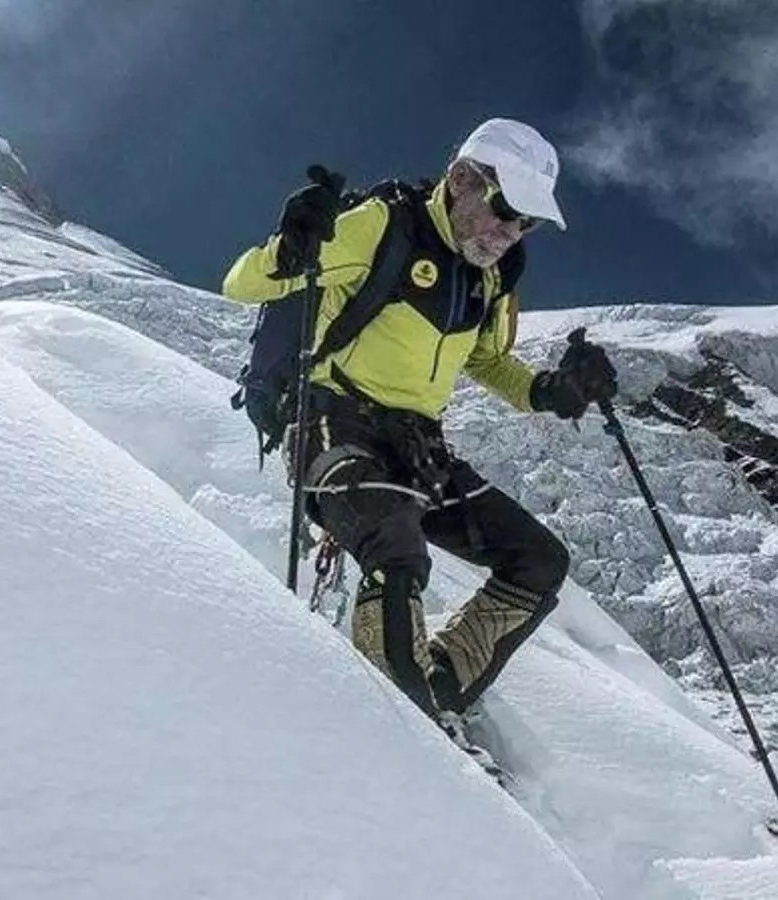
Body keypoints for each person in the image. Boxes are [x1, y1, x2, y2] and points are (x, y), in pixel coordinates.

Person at [221, 119, 618, 741]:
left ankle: (434, 691)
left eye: (526, 224)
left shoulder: (489, 279)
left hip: (417, 446)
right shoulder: (383, 225)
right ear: (462, 179)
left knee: (539, 561)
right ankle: (407, 739)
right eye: (506, 210)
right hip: (332, 421)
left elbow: (487, 362)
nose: (510, 233)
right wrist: (291, 244)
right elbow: (242, 284)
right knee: (394, 543)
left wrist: (551, 391)